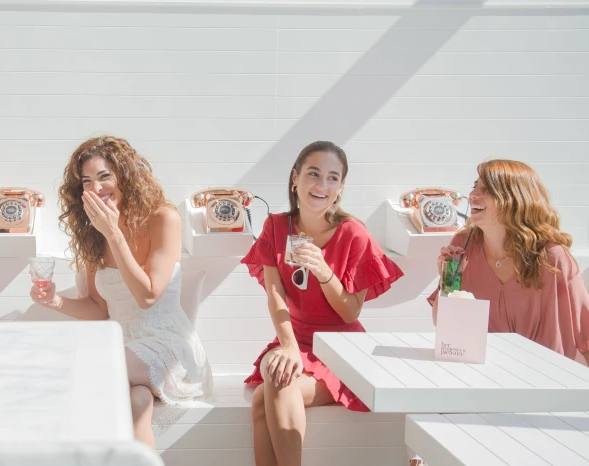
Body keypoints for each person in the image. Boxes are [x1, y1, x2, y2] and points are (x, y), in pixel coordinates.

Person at [29, 135, 211, 448]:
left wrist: (114, 233)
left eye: (104, 177)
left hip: (167, 347)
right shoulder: (92, 234)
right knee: (137, 402)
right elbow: (99, 310)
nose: (96, 188)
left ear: (125, 176)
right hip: (124, 346)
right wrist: (54, 300)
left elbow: (148, 296)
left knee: (83, 371)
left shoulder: (163, 219)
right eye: (86, 181)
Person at [244, 141, 404, 466]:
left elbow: (350, 312)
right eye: (313, 174)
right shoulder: (277, 227)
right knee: (269, 386)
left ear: (341, 188)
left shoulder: (353, 234)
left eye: (333, 178)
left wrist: (323, 270)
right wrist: (288, 347)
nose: (321, 185)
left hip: (341, 350)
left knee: (273, 392)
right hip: (294, 342)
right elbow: (275, 295)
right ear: (295, 179)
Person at [431, 159, 589, 361]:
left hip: (540, 378)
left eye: (486, 189)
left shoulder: (552, 258)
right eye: (475, 186)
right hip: (482, 375)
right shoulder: (463, 245)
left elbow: (585, 338)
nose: (472, 195)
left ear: (514, 199)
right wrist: (449, 280)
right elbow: (444, 326)